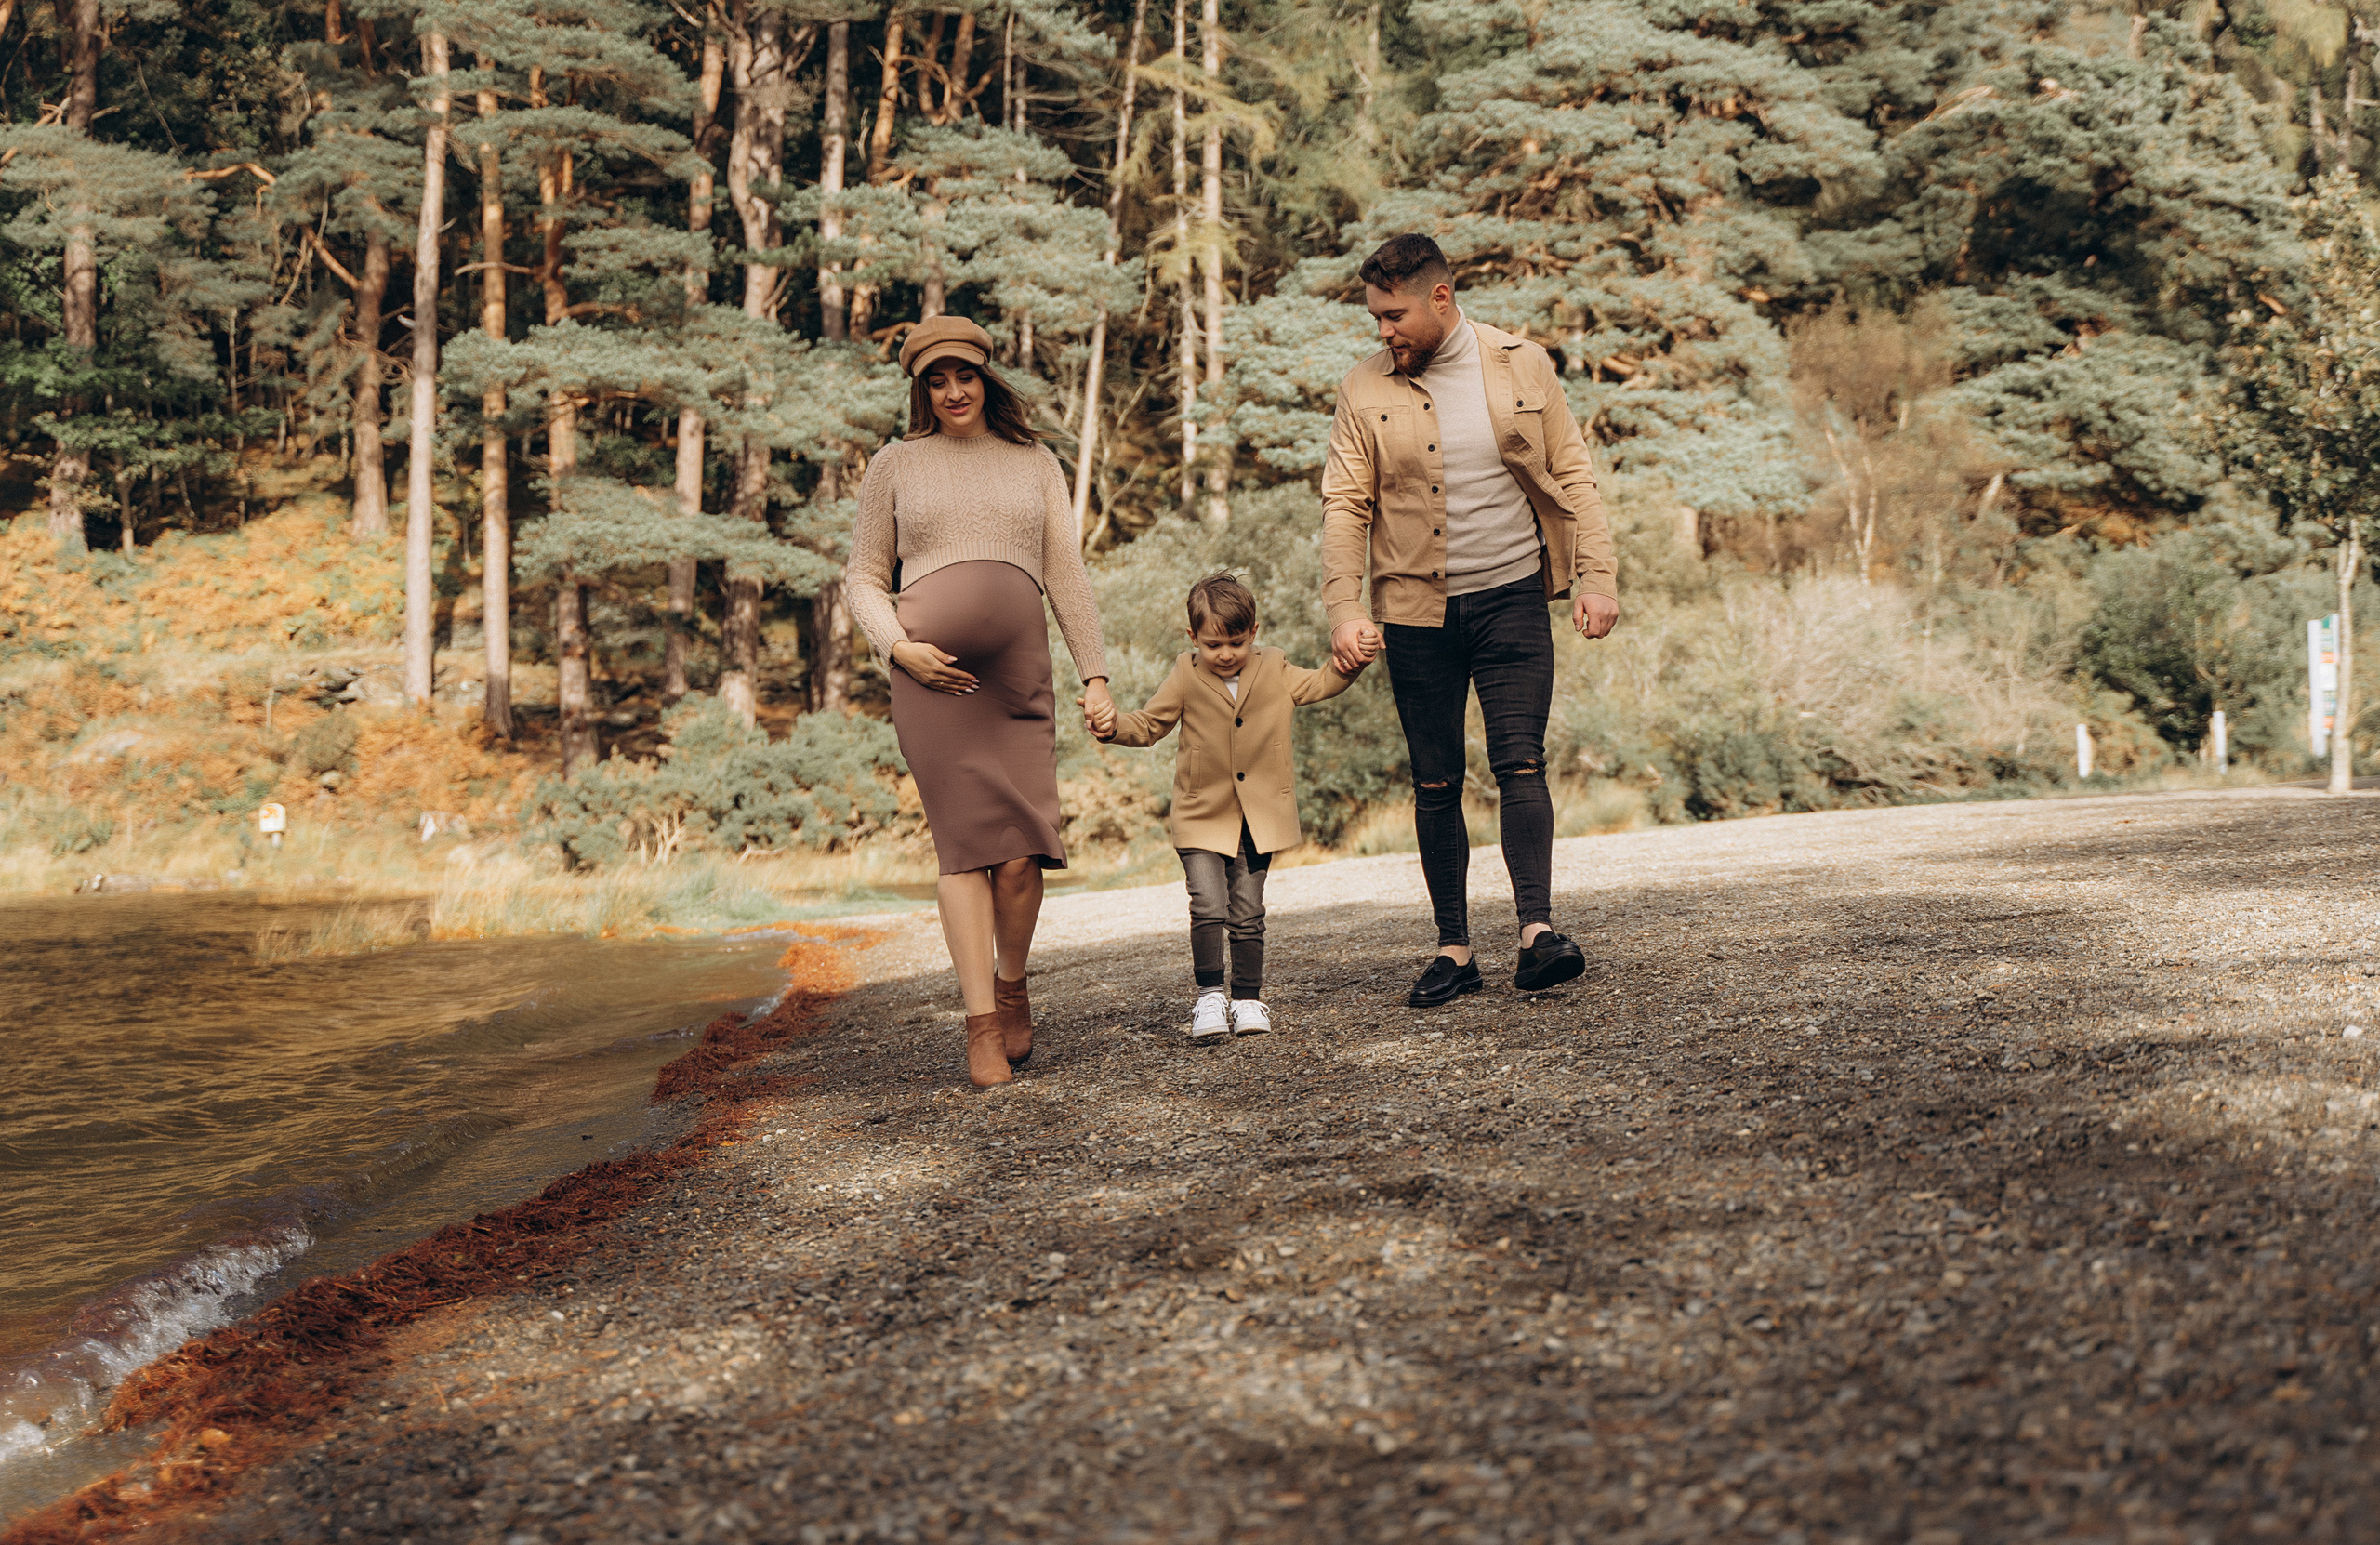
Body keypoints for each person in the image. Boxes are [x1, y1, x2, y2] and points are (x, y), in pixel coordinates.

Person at [1320, 233, 1621, 1009]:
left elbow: (1574, 472)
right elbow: (1345, 505)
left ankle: (1537, 935)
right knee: (1434, 779)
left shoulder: (1523, 364)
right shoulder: (1362, 388)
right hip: (1413, 612)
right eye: (1376, 317)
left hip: (1512, 595)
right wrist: (1344, 608)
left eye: (1394, 315)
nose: (1383, 331)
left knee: (1520, 761)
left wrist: (1597, 577)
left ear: (1441, 298)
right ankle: (1453, 951)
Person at [844, 315, 1117, 1089]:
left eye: (964, 375)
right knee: (965, 852)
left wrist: (1095, 674)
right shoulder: (895, 464)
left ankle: (1013, 983)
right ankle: (980, 1025)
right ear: (921, 390)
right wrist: (898, 648)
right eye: (936, 380)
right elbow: (862, 577)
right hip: (932, 682)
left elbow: (1065, 573)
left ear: (986, 378)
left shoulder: (1034, 462)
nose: (953, 391)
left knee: (1023, 855)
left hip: (1018, 680)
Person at [1095, 572, 1359, 1041]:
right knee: (1207, 904)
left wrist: (1352, 662)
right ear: (1192, 637)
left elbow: (1320, 683)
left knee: (1248, 911)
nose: (1225, 654)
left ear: (1254, 633)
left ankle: (1248, 999)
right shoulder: (1186, 673)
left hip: (1260, 816)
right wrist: (1113, 725)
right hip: (1201, 813)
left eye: (1236, 643)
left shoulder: (1274, 666)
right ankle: (1210, 997)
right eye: (1212, 645)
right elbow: (1150, 724)